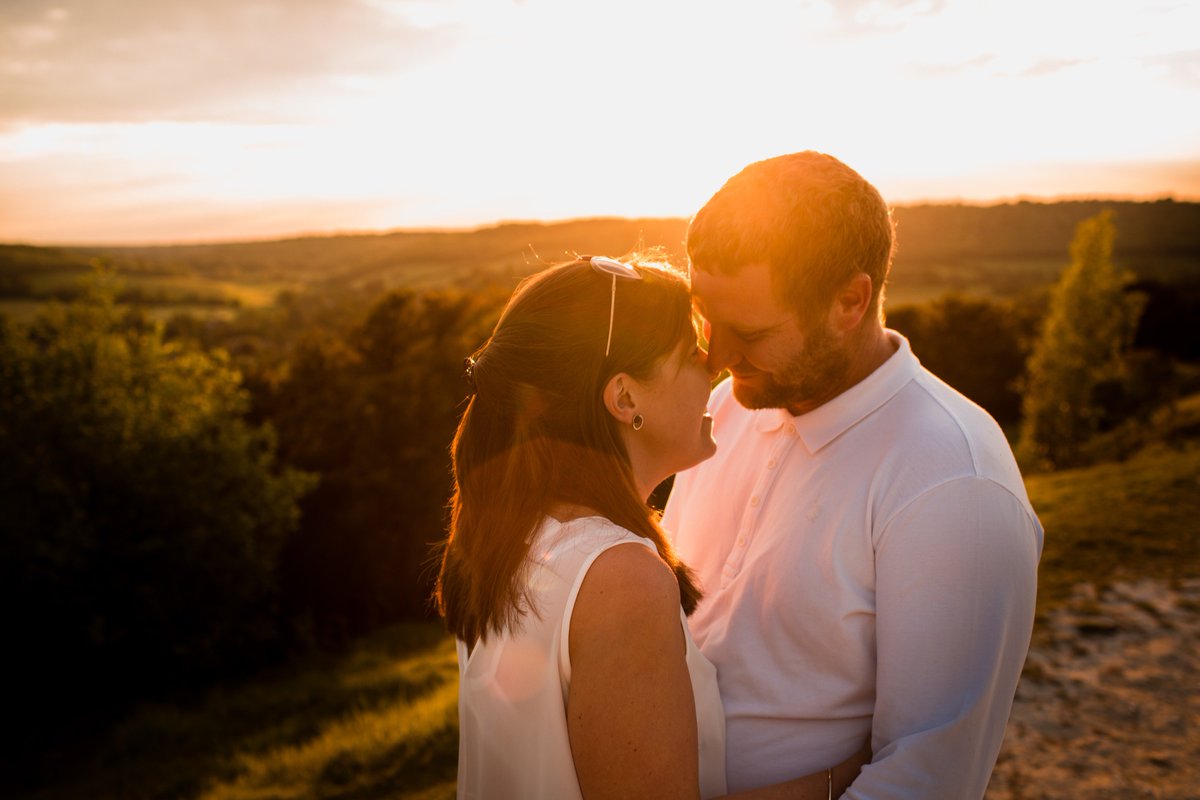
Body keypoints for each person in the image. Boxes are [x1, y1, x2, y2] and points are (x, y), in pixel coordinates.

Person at [662, 151, 1044, 799]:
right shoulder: (725, 408)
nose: (718, 356)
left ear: (850, 301)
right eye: (707, 317)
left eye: (749, 331)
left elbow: (928, 777)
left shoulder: (953, 481)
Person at [436, 255, 869, 799]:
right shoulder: (620, 579)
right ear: (624, 398)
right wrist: (843, 776)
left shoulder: (504, 534)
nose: (714, 366)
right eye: (691, 352)